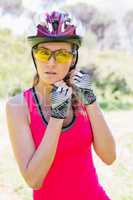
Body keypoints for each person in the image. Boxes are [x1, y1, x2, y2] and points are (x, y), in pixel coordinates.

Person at [6, 11, 116, 200]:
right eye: (44, 53)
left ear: (73, 59)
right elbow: (34, 180)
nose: (51, 62)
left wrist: (90, 99)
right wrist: (57, 117)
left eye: (62, 55)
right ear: (34, 55)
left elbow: (109, 157)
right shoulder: (18, 107)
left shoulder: (82, 96)